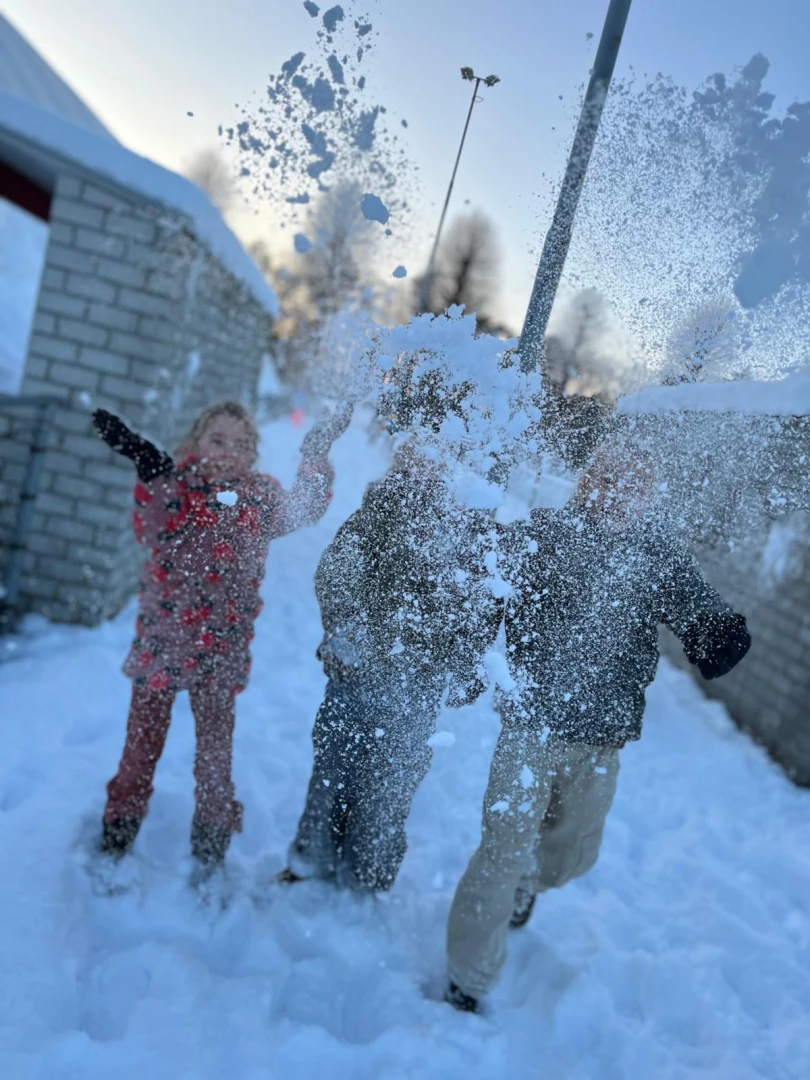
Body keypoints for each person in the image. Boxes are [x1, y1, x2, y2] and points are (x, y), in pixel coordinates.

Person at [444, 448, 751, 1011]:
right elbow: (489, 584)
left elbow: (695, 604)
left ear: (644, 497)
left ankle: (528, 883)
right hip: (529, 727)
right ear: (587, 484)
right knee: (500, 853)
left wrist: (713, 630)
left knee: (569, 858)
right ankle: (469, 977)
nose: (615, 492)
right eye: (606, 480)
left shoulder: (658, 555)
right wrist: (466, 641)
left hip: (601, 738)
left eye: (630, 485)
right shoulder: (544, 532)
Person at [92, 400, 350, 875]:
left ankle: (210, 846)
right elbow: (149, 531)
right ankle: (118, 832)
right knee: (140, 750)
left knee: (214, 758)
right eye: (217, 440)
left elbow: (305, 508)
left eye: (241, 444)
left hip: (220, 650)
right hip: (163, 645)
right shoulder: (176, 485)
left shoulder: (258, 497)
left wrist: (317, 451)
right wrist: (152, 477)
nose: (229, 451)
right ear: (196, 441)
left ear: (253, 453)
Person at [280, 438, 504, 892]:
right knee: (332, 774)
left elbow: (483, 609)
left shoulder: (478, 531)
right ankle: (311, 858)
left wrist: (466, 664)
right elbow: (337, 571)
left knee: (387, 790)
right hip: (354, 673)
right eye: (416, 448)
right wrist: (345, 630)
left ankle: (369, 874)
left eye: (439, 451)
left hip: (418, 688)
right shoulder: (380, 508)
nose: (421, 459)